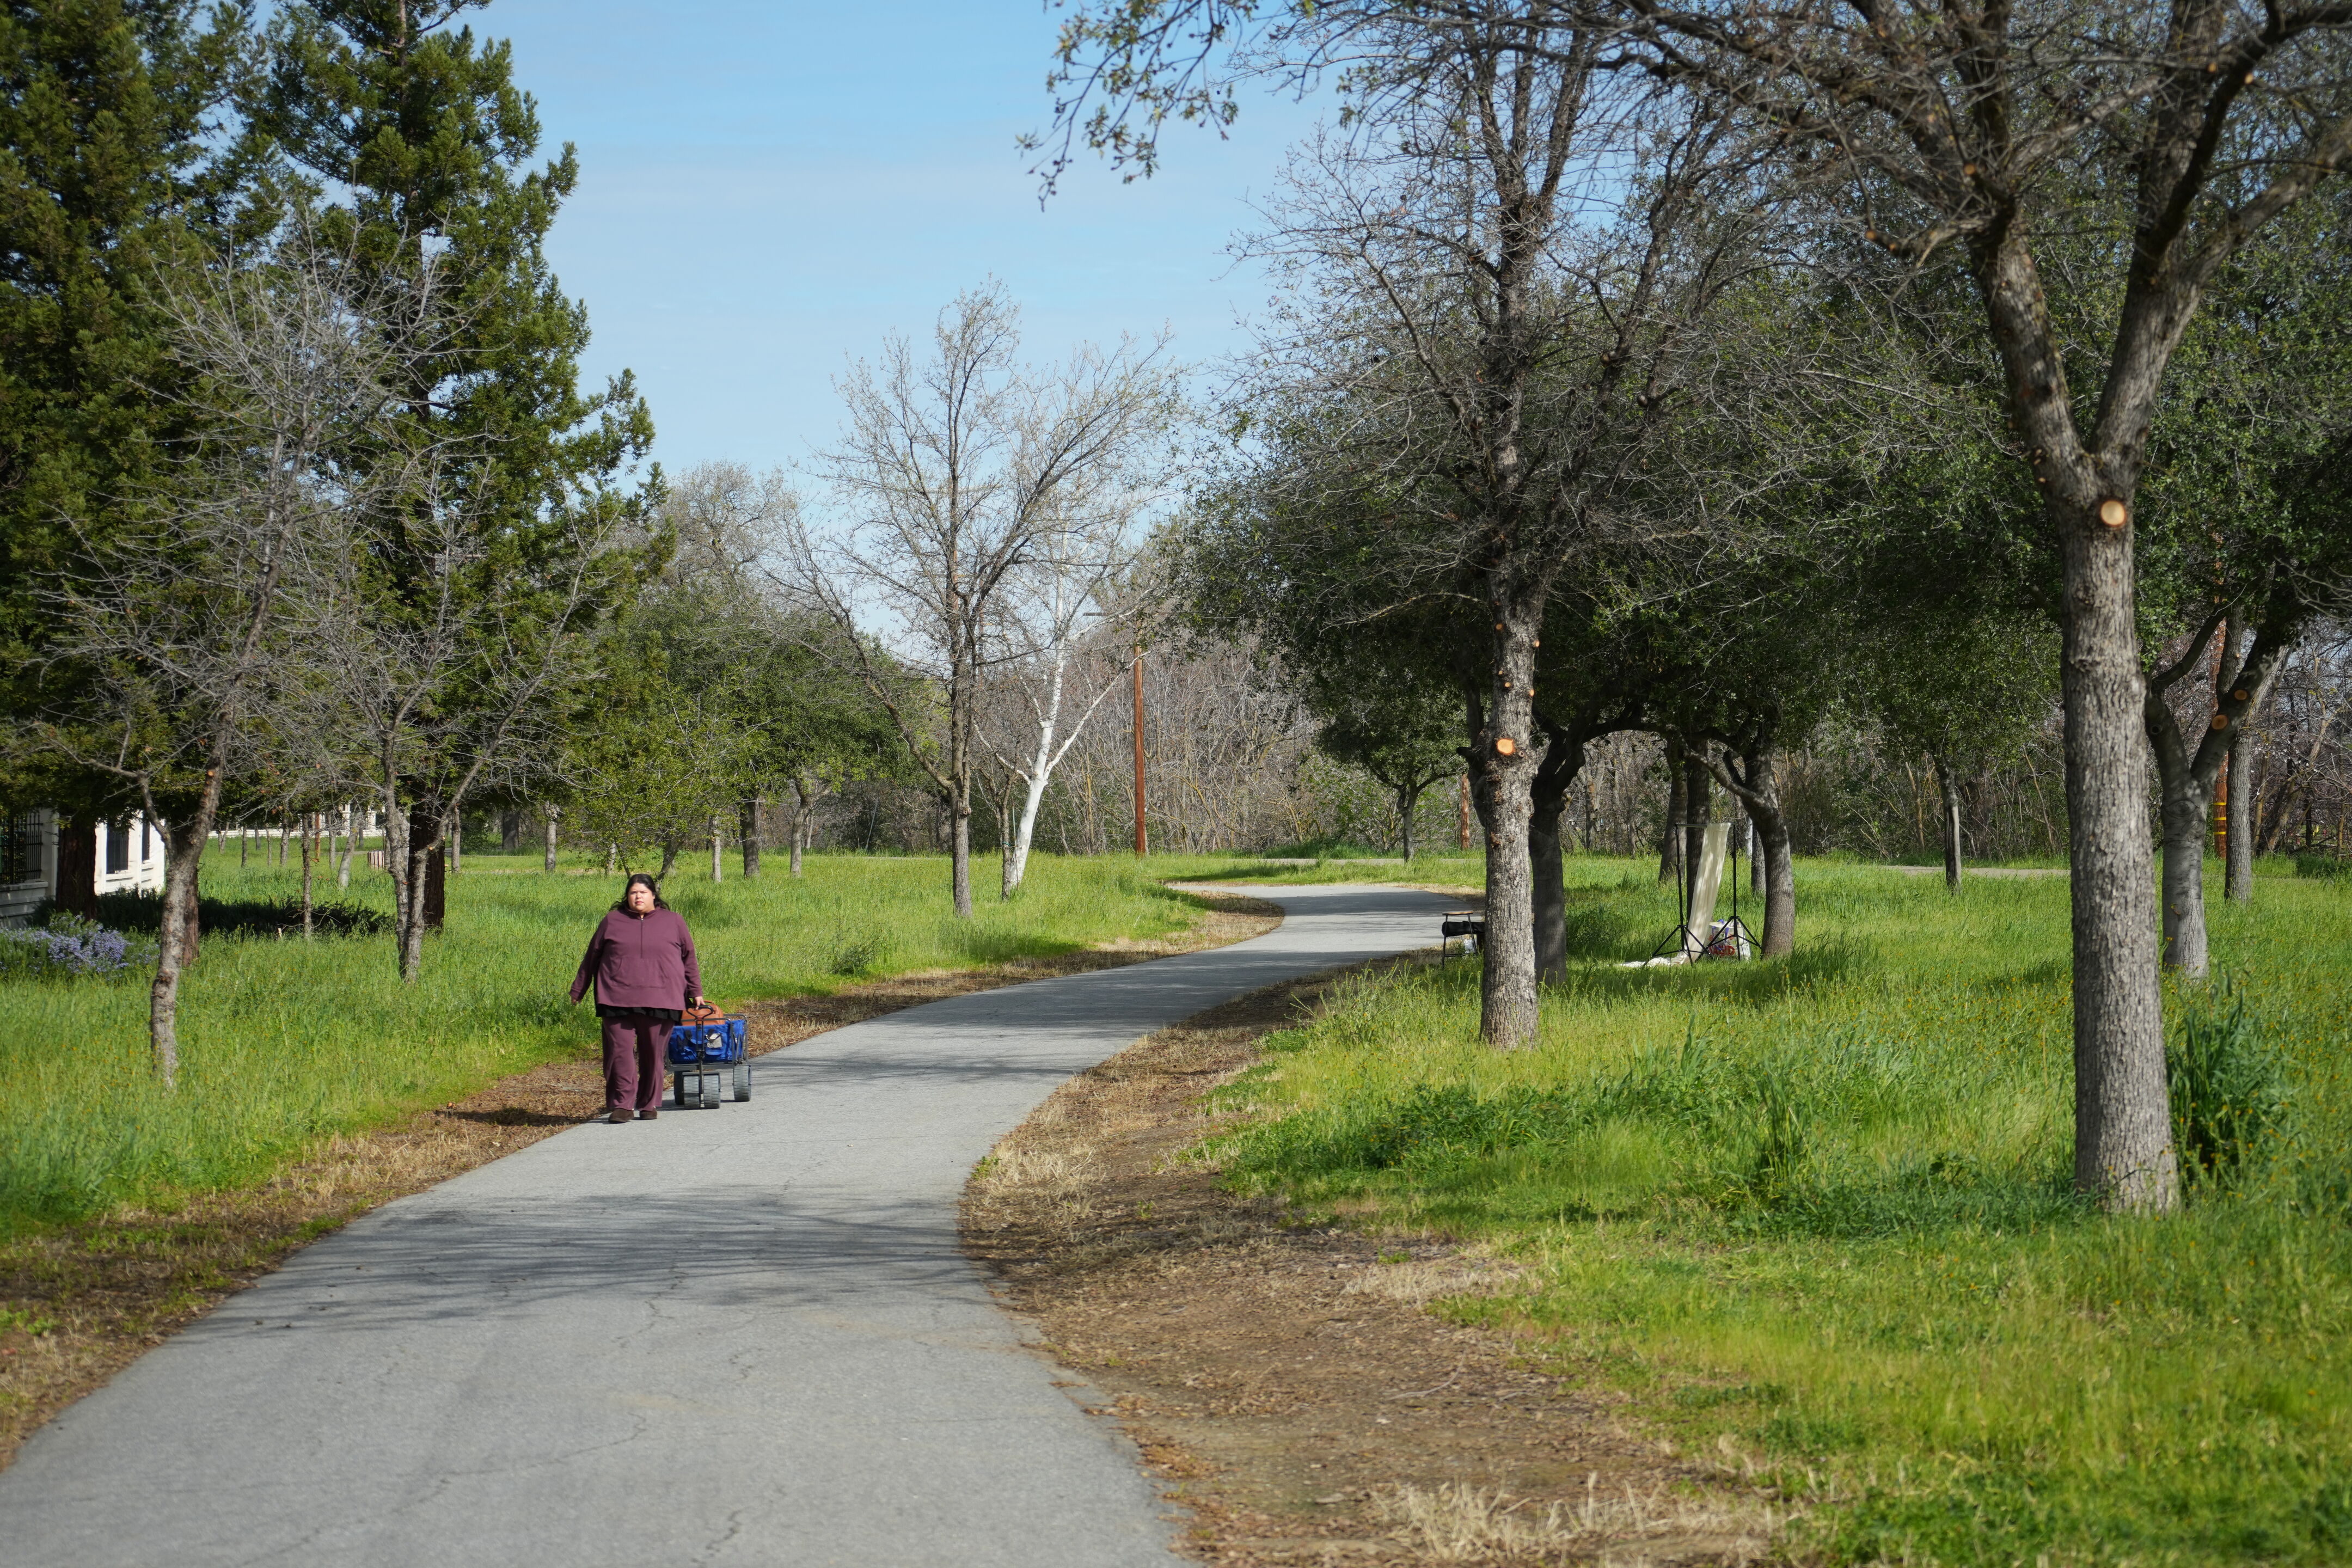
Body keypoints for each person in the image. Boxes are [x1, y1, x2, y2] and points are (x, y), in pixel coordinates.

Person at [570, 873, 703, 1123]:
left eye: (643, 892)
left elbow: (689, 958)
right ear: (627, 896)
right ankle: (622, 1105)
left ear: (654, 895)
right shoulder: (612, 921)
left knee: (653, 1054)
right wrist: (579, 989)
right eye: (633, 893)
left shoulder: (674, 921)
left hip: (662, 997)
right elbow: (592, 956)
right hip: (616, 996)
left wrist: (695, 991)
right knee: (619, 1053)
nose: (638, 897)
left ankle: (648, 1103)